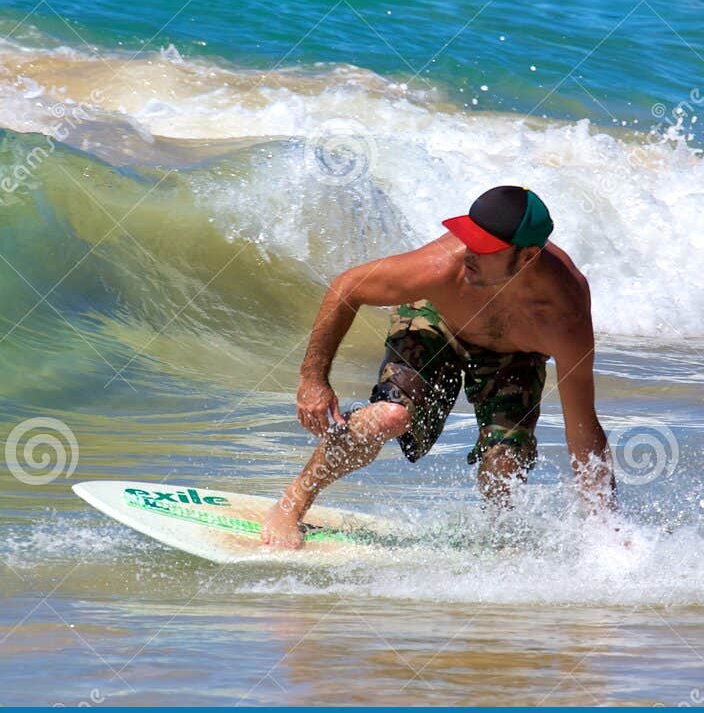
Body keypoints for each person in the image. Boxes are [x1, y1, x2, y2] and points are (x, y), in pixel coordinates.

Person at [259, 185, 616, 549]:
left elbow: (583, 428)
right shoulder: (443, 267)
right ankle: (290, 506)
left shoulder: (564, 315)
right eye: (468, 237)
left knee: (505, 464)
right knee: (388, 416)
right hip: (436, 317)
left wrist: (607, 530)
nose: (469, 253)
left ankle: (499, 548)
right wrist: (313, 379)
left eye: (485, 247)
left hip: (517, 353)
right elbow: (347, 287)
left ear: (526, 258)